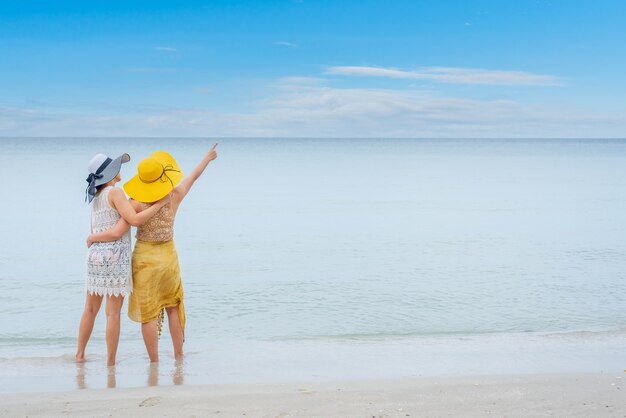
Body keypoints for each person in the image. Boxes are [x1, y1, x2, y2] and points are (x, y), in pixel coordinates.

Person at [88, 144, 218, 362]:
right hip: (169, 258)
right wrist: (207, 158)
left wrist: (93, 237)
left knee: (148, 314)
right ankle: (178, 356)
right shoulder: (174, 195)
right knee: (173, 308)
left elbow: (118, 229)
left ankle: (154, 361)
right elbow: (192, 177)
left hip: (145, 260)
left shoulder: (135, 203)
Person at [77, 152, 169, 366]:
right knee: (112, 314)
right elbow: (134, 220)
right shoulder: (115, 193)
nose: (120, 171)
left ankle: (79, 354)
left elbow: (96, 230)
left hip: (95, 257)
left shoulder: (96, 198)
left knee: (90, 310)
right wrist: (159, 204)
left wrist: (92, 238)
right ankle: (110, 362)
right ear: (110, 173)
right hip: (115, 256)